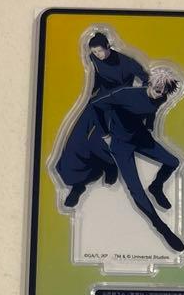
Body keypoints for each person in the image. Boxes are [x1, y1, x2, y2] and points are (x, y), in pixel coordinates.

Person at [92, 67, 184, 252]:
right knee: (136, 191)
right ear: (150, 84)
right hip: (121, 144)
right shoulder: (125, 95)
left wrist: (149, 126)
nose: (160, 95)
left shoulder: (162, 97)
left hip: (141, 137)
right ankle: (162, 228)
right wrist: (105, 134)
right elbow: (96, 106)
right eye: (158, 90)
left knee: (174, 162)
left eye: (164, 92)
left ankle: (156, 187)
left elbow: (152, 110)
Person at [55, 31, 147, 206]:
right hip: (97, 102)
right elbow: (95, 79)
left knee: (103, 139)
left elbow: (146, 80)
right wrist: (91, 96)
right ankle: (77, 186)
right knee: (77, 139)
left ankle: (110, 165)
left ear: (108, 47)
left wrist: (136, 102)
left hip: (119, 105)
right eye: (95, 52)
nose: (97, 55)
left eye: (100, 51)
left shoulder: (127, 63)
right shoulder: (94, 58)